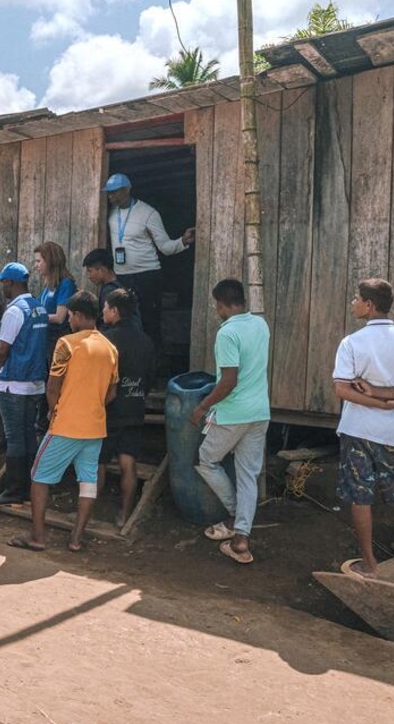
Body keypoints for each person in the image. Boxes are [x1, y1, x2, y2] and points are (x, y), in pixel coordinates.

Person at [9, 291, 118, 553]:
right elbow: (112, 392)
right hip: (95, 426)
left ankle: (37, 536)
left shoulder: (66, 344)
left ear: (78, 316)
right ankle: (76, 539)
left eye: (70, 315)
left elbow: (53, 386)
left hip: (66, 424)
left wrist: (53, 410)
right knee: (88, 482)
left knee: (39, 476)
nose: (69, 320)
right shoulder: (110, 347)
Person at [330, 279, 394, 578]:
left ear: (369, 305)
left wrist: (375, 398)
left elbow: (341, 390)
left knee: (360, 495)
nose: (353, 303)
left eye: (356, 298)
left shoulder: (352, 343)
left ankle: (369, 565)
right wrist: (392, 398)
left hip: (359, 430)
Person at [189, 279, 270, 565]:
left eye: (216, 305)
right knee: (247, 474)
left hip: (233, 413)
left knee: (206, 460)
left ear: (222, 304)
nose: (215, 310)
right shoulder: (261, 325)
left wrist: (202, 406)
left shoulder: (227, 333)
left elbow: (228, 381)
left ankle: (235, 515)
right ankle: (240, 539)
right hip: (260, 411)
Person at [103, 173, 195, 348]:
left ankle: (153, 366)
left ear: (127, 190)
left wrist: (182, 241)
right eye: (109, 193)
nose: (111, 196)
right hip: (121, 277)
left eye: (115, 192)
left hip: (147, 277)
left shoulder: (148, 213)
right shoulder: (110, 214)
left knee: (149, 322)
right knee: (123, 322)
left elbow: (165, 247)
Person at [0, 262, 48, 507]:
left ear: (11, 283)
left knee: (14, 438)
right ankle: (30, 488)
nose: (2, 287)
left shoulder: (14, 311)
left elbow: (1, 349)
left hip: (13, 384)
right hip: (35, 383)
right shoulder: (39, 307)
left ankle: (14, 490)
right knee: (29, 436)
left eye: (4, 282)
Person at [97, 288, 155, 526]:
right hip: (135, 407)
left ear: (115, 311)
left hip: (109, 411)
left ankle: (89, 510)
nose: (102, 312)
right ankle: (125, 513)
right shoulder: (146, 341)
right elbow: (151, 377)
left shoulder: (106, 339)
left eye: (105, 308)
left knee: (96, 462)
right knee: (127, 462)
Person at [33, 242, 76, 363]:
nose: (36, 266)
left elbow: (59, 317)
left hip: (58, 341)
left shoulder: (66, 284)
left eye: (39, 261)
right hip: (45, 339)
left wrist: (33, 317)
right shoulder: (48, 285)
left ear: (50, 261)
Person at [82, 248, 135, 329]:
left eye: (90, 271)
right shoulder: (120, 285)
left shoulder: (109, 291)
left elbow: (108, 323)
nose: (89, 276)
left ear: (102, 270)